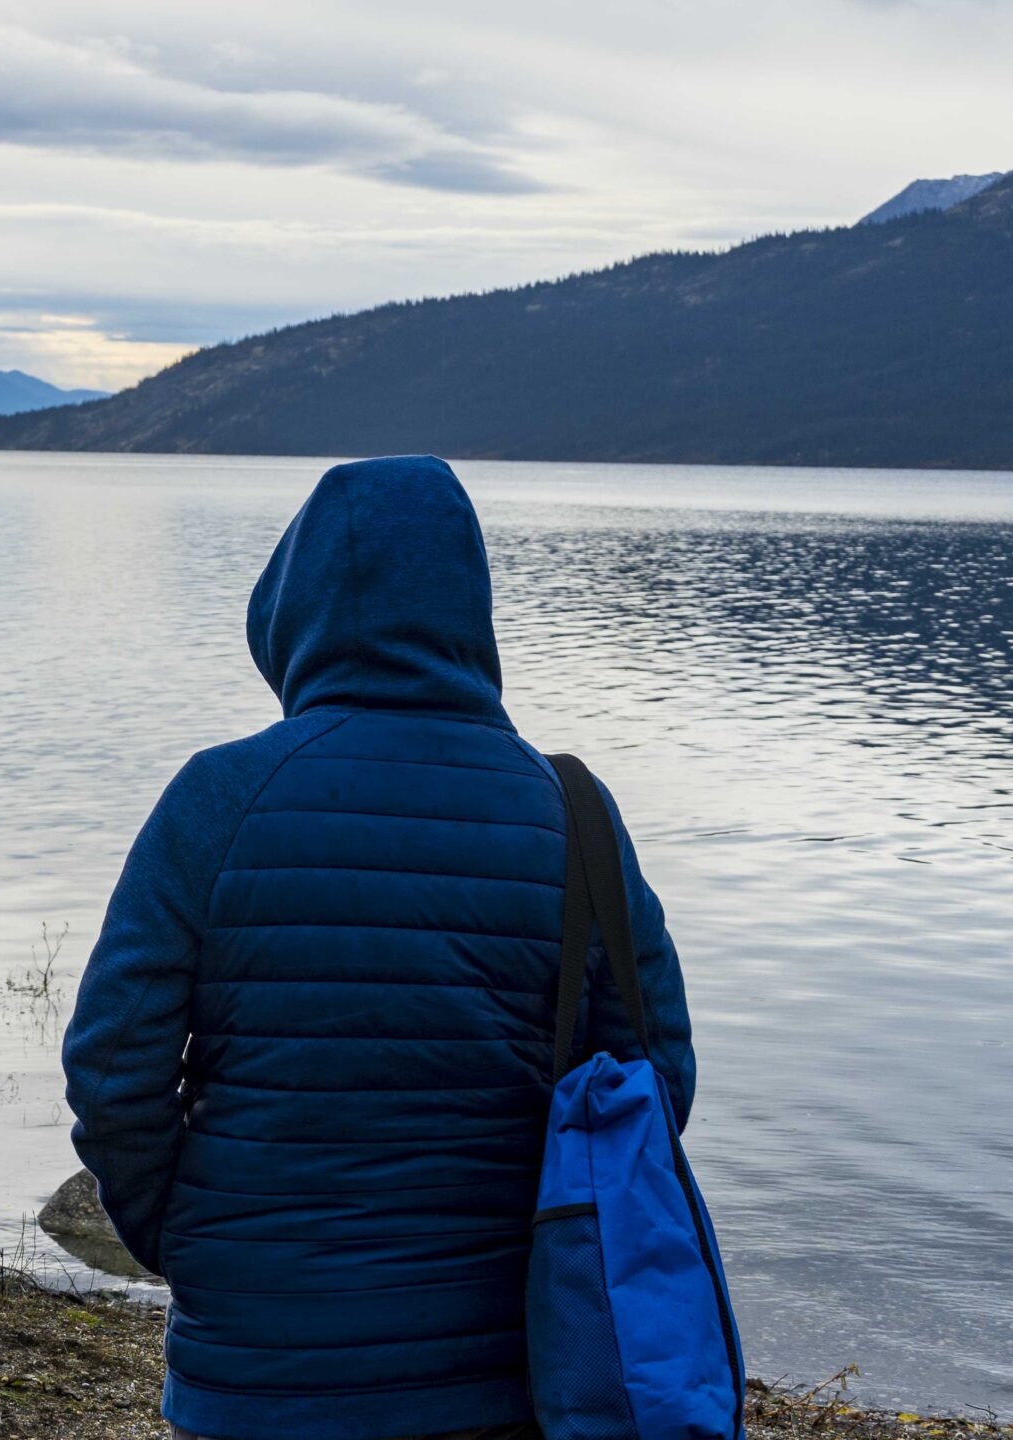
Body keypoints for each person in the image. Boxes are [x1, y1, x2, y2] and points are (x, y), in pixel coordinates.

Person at [61, 456, 696, 1440]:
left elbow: (109, 1073)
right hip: (505, 1377)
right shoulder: (573, 815)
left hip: (253, 1381)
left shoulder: (219, 800)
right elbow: (654, 1088)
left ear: (294, 613)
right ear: (470, 612)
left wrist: (181, 1235)